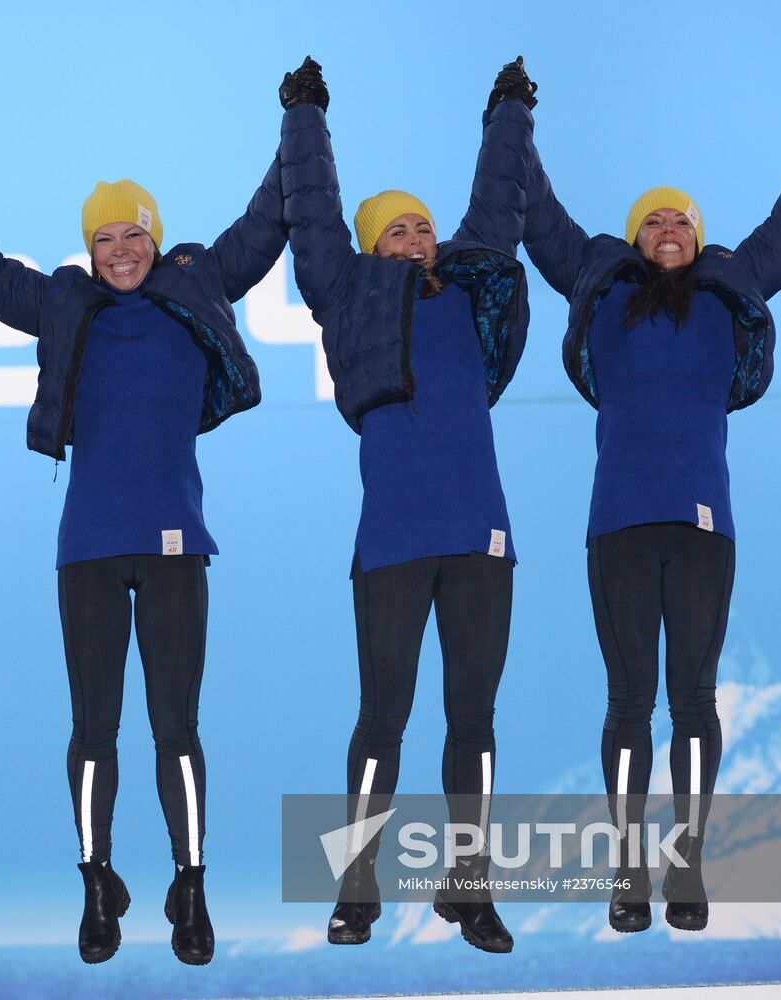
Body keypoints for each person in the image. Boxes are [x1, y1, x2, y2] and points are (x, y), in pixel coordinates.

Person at [0, 101, 283, 967]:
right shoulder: (64, 304)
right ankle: (98, 883)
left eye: (134, 234)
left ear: (155, 239)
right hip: (88, 551)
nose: (121, 250)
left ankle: (190, 883)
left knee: (175, 726)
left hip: (177, 546)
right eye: (105, 239)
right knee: (92, 727)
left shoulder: (195, 285)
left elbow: (266, 221)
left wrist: (301, 122)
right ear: (89, 252)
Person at [492, 60, 781, 932]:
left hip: (701, 527)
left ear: (697, 237)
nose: (665, 229)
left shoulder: (732, 290)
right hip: (616, 523)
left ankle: (684, 868)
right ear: (632, 236)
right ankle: (627, 873)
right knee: (627, 702)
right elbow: (536, 214)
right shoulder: (598, 282)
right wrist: (510, 118)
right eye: (651, 219)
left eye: (679, 221)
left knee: (692, 699)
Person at [278, 57, 536, 952]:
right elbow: (311, 215)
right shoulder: (345, 294)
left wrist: (505, 112)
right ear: (372, 245)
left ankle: (470, 887)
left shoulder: (470, 292)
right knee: (381, 716)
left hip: (479, 534)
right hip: (390, 538)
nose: (418, 237)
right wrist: (306, 116)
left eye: (423, 227)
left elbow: (498, 203)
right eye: (398, 229)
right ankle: (355, 889)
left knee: (474, 719)